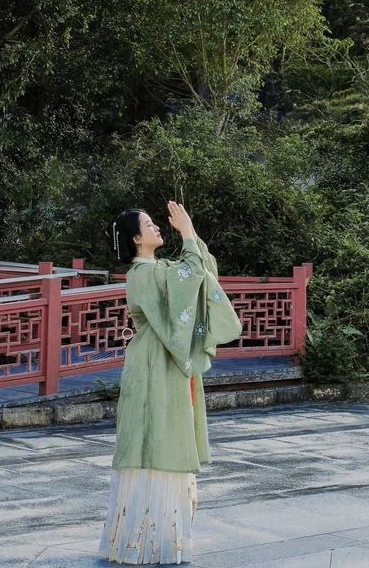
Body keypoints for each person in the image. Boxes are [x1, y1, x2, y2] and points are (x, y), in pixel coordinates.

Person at [99, 201, 242, 565]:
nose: (157, 228)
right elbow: (192, 273)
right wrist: (188, 231)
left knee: (166, 435)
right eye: (149, 225)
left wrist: (190, 236)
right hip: (154, 362)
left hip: (162, 359)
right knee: (156, 439)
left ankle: (156, 538)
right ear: (136, 238)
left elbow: (201, 271)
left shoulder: (158, 269)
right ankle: (145, 539)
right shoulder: (144, 273)